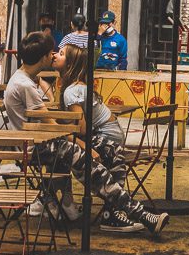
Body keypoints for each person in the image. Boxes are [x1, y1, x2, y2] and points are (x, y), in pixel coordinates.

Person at [55, 44, 168, 236]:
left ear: (71, 63)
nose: (55, 55)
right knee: (113, 160)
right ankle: (114, 214)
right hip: (110, 138)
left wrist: (62, 124)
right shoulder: (78, 87)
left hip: (104, 136)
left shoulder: (71, 91)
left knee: (107, 161)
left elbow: (80, 128)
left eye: (61, 53)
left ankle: (115, 213)